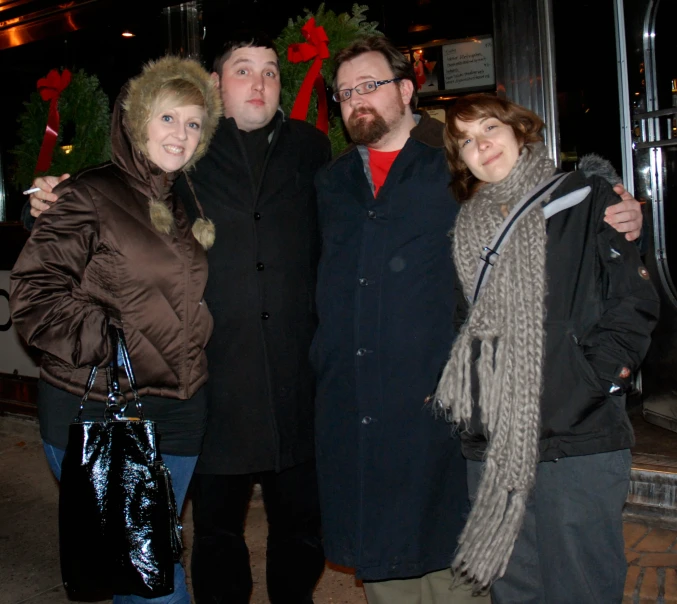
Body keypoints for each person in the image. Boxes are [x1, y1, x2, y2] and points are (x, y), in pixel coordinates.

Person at [312, 36, 646, 604]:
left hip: (481, 412)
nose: (357, 100)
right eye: (345, 93)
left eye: (370, 85)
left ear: (406, 89)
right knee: (469, 571)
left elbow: (554, 216)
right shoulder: (332, 183)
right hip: (390, 407)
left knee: (497, 563)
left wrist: (614, 202)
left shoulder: (454, 172)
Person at [25, 31, 331, 604]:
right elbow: (102, 195)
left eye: (270, 71)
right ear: (216, 85)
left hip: (270, 384)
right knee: (188, 547)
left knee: (291, 532)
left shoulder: (310, 148)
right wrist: (40, 198)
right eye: (244, 69)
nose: (259, 82)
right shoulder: (189, 155)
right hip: (194, 386)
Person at [10, 56, 222, 603]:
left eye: (194, 123)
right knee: (155, 579)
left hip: (180, 409)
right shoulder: (87, 193)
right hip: (103, 410)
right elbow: (34, 298)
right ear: (137, 120)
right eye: (169, 118)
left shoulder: (184, 201)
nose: (182, 133)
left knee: (146, 564)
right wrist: (111, 341)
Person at [434, 93, 660, 603]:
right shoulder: (470, 228)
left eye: (489, 127)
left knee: (581, 586)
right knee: (514, 589)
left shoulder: (587, 199)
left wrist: (590, 381)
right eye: (466, 141)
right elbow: (464, 325)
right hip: (493, 444)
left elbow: (633, 305)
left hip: (576, 436)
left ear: (518, 129)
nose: (481, 145)